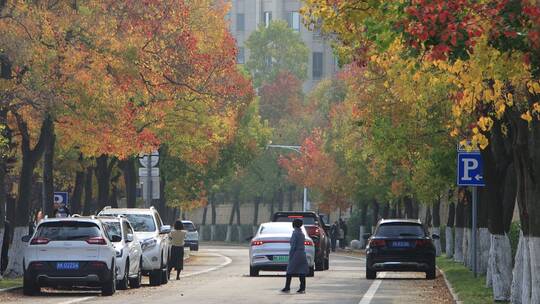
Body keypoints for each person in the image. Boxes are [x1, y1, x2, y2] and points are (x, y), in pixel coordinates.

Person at [281, 219, 308, 294]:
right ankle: (302, 287)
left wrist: (291, 255)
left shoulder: (295, 233)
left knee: (289, 270)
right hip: (302, 253)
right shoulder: (302, 233)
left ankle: (287, 286)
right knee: (302, 271)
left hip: (296, 253)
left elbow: (293, 246)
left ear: (294, 224)